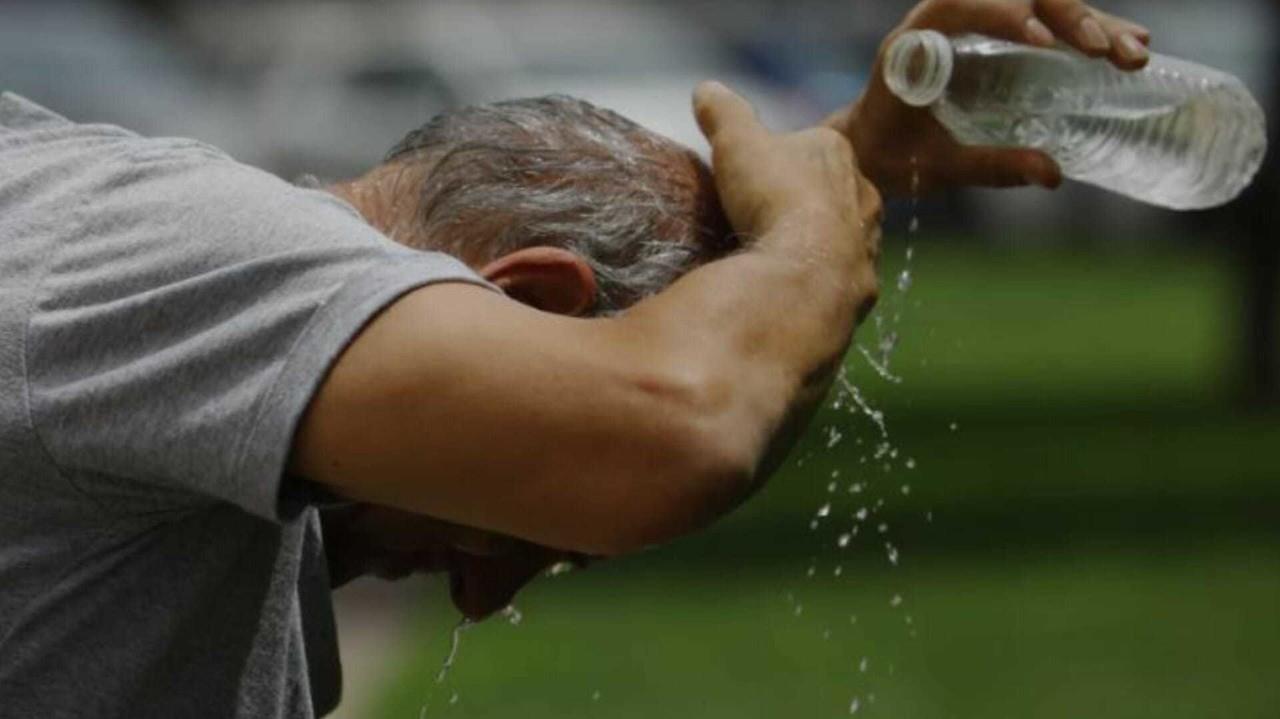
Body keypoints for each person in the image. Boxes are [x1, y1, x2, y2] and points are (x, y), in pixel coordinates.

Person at [0, 1, 1150, 716]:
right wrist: (812, 232)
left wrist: (824, 170)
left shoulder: (189, 373)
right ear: (534, 298)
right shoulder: (178, 245)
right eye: (531, 529)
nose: (486, 593)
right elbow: (668, 431)